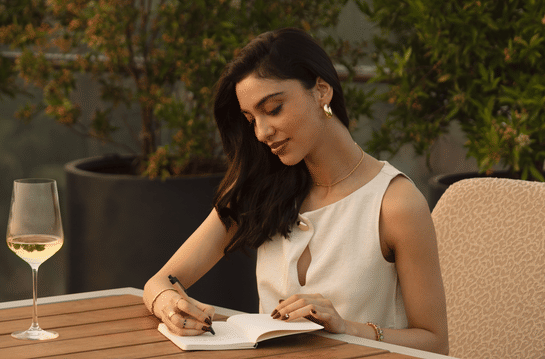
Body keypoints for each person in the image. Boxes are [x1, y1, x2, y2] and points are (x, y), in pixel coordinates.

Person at [143, 28, 449, 354]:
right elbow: (161, 282)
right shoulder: (259, 189)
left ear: (321, 91)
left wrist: (347, 329)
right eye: (251, 120)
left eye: (273, 109)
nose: (261, 132)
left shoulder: (395, 204)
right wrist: (171, 307)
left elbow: (434, 343)